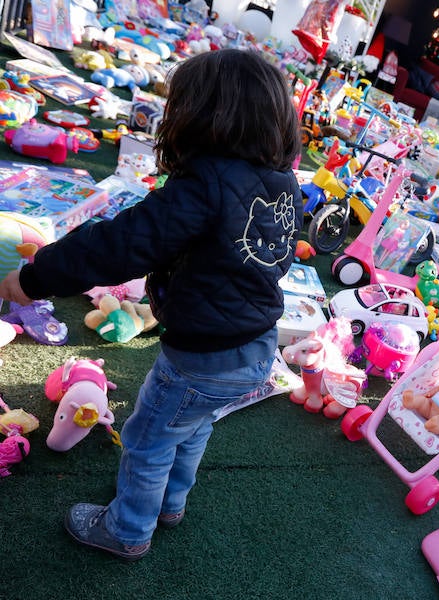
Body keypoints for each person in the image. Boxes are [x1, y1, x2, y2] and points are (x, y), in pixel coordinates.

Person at [0, 49, 303, 561]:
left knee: (147, 438)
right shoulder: (283, 183)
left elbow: (115, 245)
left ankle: (128, 529)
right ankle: (170, 504)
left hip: (201, 355)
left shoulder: (201, 187)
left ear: (199, 118)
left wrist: (33, 279)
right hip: (257, 348)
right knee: (192, 426)